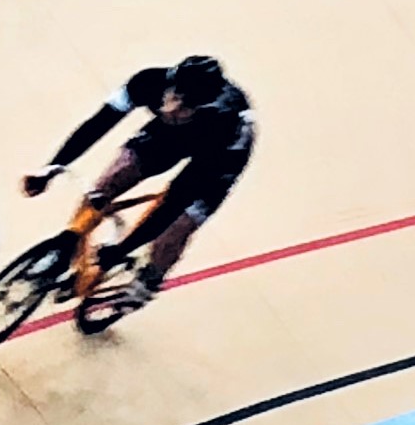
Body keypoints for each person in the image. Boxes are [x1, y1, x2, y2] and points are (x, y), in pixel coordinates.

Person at [20, 52, 256, 316]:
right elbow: (98, 124)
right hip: (169, 137)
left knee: (176, 227)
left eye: (185, 107)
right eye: (174, 98)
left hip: (219, 160)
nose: (175, 108)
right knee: (110, 180)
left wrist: (120, 251)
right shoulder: (148, 82)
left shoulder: (221, 122)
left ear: (201, 106)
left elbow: (174, 203)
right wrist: (52, 168)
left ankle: (149, 280)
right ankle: (65, 248)